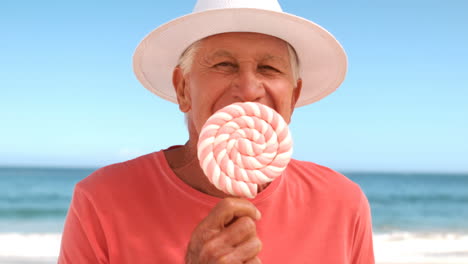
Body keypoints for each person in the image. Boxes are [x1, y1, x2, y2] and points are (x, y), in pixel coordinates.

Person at [59, 0, 375, 263]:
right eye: (223, 64)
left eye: (269, 68)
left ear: (293, 97)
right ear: (182, 89)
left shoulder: (343, 203)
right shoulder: (101, 200)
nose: (249, 89)